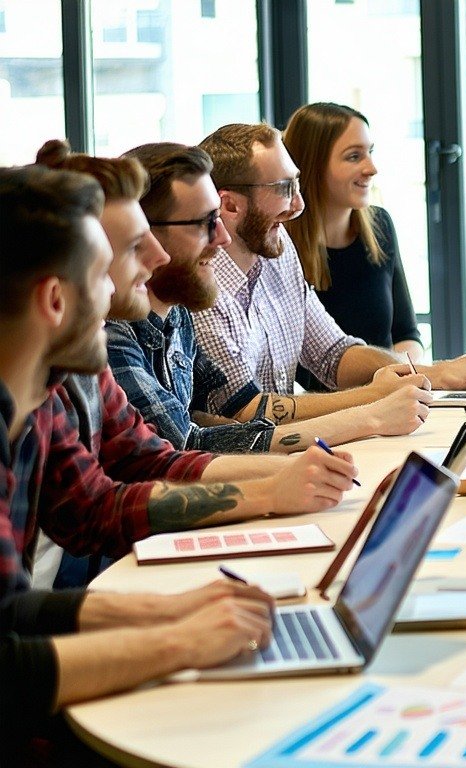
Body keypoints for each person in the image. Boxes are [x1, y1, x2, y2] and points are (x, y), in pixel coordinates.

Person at [0, 164, 275, 757]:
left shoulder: (32, 401)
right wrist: (178, 641)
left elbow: (13, 604)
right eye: (106, 270)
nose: (142, 272)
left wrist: (164, 611)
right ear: (53, 299)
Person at [27, 143, 356, 591]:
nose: (157, 258)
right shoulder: (93, 349)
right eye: (112, 261)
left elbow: (124, 483)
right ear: (53, 295)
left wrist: (285, 481)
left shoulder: (71, 371)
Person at [107, 141, 430, 453]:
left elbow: (217, 418)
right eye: (205, 222)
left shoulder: (175, 313)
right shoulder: (113, 333)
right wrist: (368, 414)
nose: (221, 237)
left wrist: (408, 385)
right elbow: (185, 449)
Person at [192, 123, 466, 418]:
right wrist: (373, 397)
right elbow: (243, 410)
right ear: (230, 206)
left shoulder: (278, 248)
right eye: (284, 188)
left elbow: (334, 353)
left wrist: (433, 373)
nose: (298, 204)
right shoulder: (201, 288)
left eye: (297, 184)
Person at [282, 103, 423, 377]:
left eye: (370, 153)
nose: (371, 168)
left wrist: (406, 374)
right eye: (354, 156)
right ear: (311, 165)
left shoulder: (380, 225)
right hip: (327, 410)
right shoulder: (279, 248)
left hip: (390, 395)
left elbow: (406, 333)